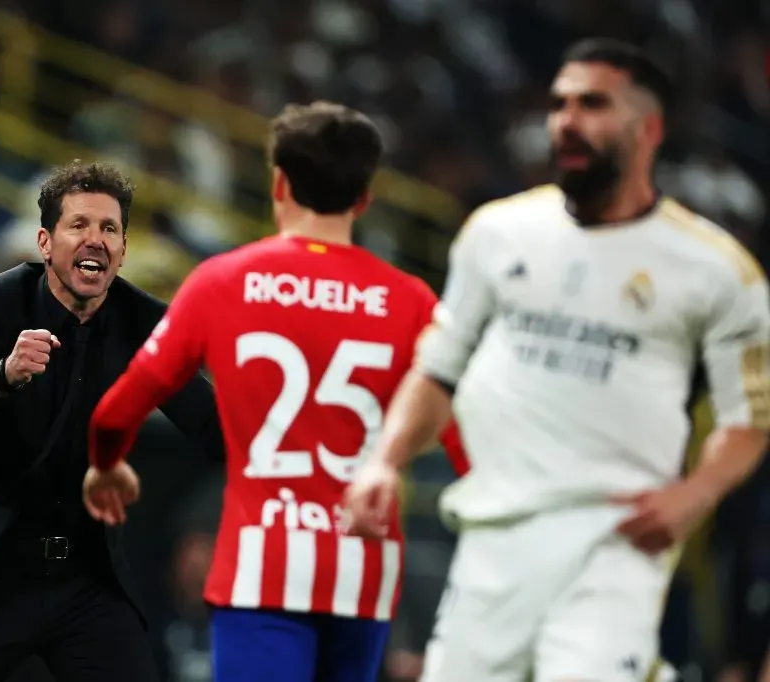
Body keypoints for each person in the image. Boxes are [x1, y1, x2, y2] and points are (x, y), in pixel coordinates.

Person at [344, 37, 770, 682]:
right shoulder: (497, 232)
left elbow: (749, 419)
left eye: (593, 104)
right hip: (493, 537)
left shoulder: (715, 268)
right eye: (560, 103)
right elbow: (438, 369)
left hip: (614, 542)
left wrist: (695, 495)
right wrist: (385, 461)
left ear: (648, 128)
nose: (566, 120)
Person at [82, 101, 466, 682]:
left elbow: (118, 408)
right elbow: (465, 442)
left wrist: (105, 465)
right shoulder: (412, 301)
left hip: (261, 566)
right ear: (364, 198)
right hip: (361, 569)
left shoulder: (223, 281)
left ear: (279, 183)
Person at [0, 161, 224, 682]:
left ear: (123, 249)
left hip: (83, 576)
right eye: (79, 225)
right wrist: (3, 375)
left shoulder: (142, 321)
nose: (96, 240)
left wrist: (288, 448)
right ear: (45, 241)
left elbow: (208, 421)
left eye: (109, 228)